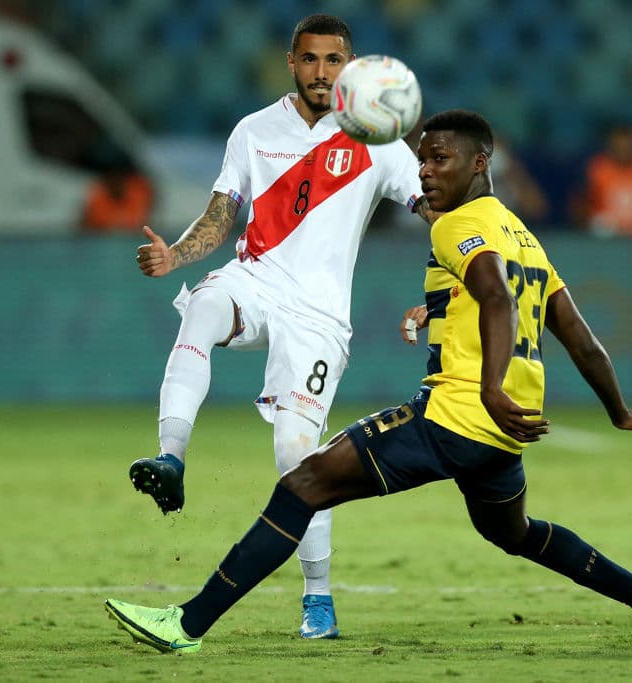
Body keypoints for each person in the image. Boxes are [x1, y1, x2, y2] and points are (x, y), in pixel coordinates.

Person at [105, 110, 632, 654]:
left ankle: (186, 625)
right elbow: (577, 335)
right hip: (500, 436)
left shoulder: (454, 227)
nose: (426, 172)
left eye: (441, 160)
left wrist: (489, 387)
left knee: (302, 484)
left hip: (455, 416)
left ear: (479, 164)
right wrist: (619, 411)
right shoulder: (520, 235)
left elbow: (494, 297)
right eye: (422, 160)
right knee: (514, 532)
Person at [129, 14, 433, 640]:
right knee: (205, 308)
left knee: (298, 453)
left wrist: (465, 264)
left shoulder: (377, 135)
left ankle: (317, 599)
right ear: (291, 62)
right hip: (257, 280)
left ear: (350, 67)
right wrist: (177, 256)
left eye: (335, 60)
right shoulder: (253, 131)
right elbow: (221, 213)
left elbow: (433, 209)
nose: (323, 72)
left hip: (320, 318)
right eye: (311, 59)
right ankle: (171, 459)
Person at [573, 122, 632, 236]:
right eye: (619, 145)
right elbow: (580, 205)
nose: (623, 150)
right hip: (605, 239)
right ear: (611, 145)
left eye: (627, 145)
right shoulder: (598, 170)